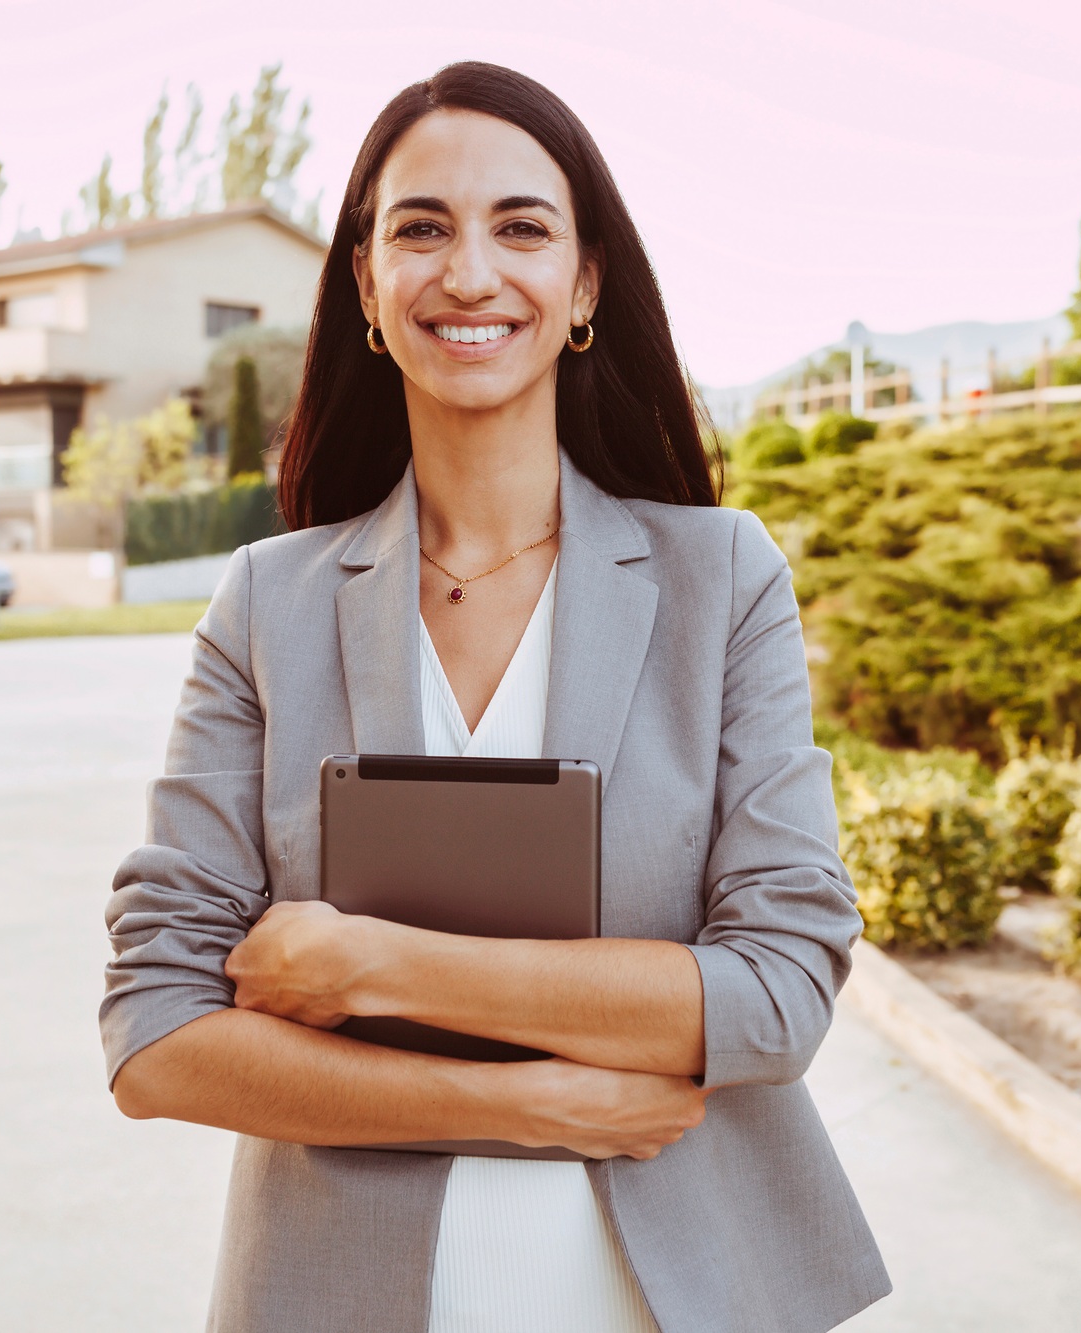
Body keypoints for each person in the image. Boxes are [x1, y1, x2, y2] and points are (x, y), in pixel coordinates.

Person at [100, 60, 891, 1333]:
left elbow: (779, 990)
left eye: (520, 227)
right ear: (366, 282)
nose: (469, 272)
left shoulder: (719, 578)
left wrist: (373, 962)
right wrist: (519, 1104)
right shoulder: (267, 605)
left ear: (582, 285)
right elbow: (153, 1034)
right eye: (420, 228)